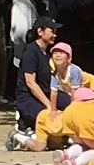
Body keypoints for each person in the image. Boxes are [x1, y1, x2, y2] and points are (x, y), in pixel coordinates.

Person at [9, 16, 64, 151]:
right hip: (28, 98)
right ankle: (19, 132)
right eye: (52, 31)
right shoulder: (31, 53)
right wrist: (49, 106)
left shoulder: (46, 53)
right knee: (50, 118)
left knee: (71, 104)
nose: (55, 35)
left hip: (45, 93)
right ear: (40, 32)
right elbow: (31, 83)